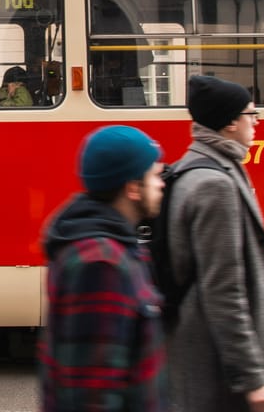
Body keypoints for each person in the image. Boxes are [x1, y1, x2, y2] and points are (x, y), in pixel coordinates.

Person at [166, 75, 264, 412]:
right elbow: (222, 291)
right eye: (250, 114)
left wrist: (258, 260)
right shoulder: (214, 183)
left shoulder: (198, 167)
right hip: (221, 371)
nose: (256, 122)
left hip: (207, 357)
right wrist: (255, 378)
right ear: (230, 123)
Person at [39, 125, 167, 412]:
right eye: (155, 175)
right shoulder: (101, 264)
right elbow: (94, 391)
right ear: (133, 188)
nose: (162, 184)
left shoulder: (117, 249)